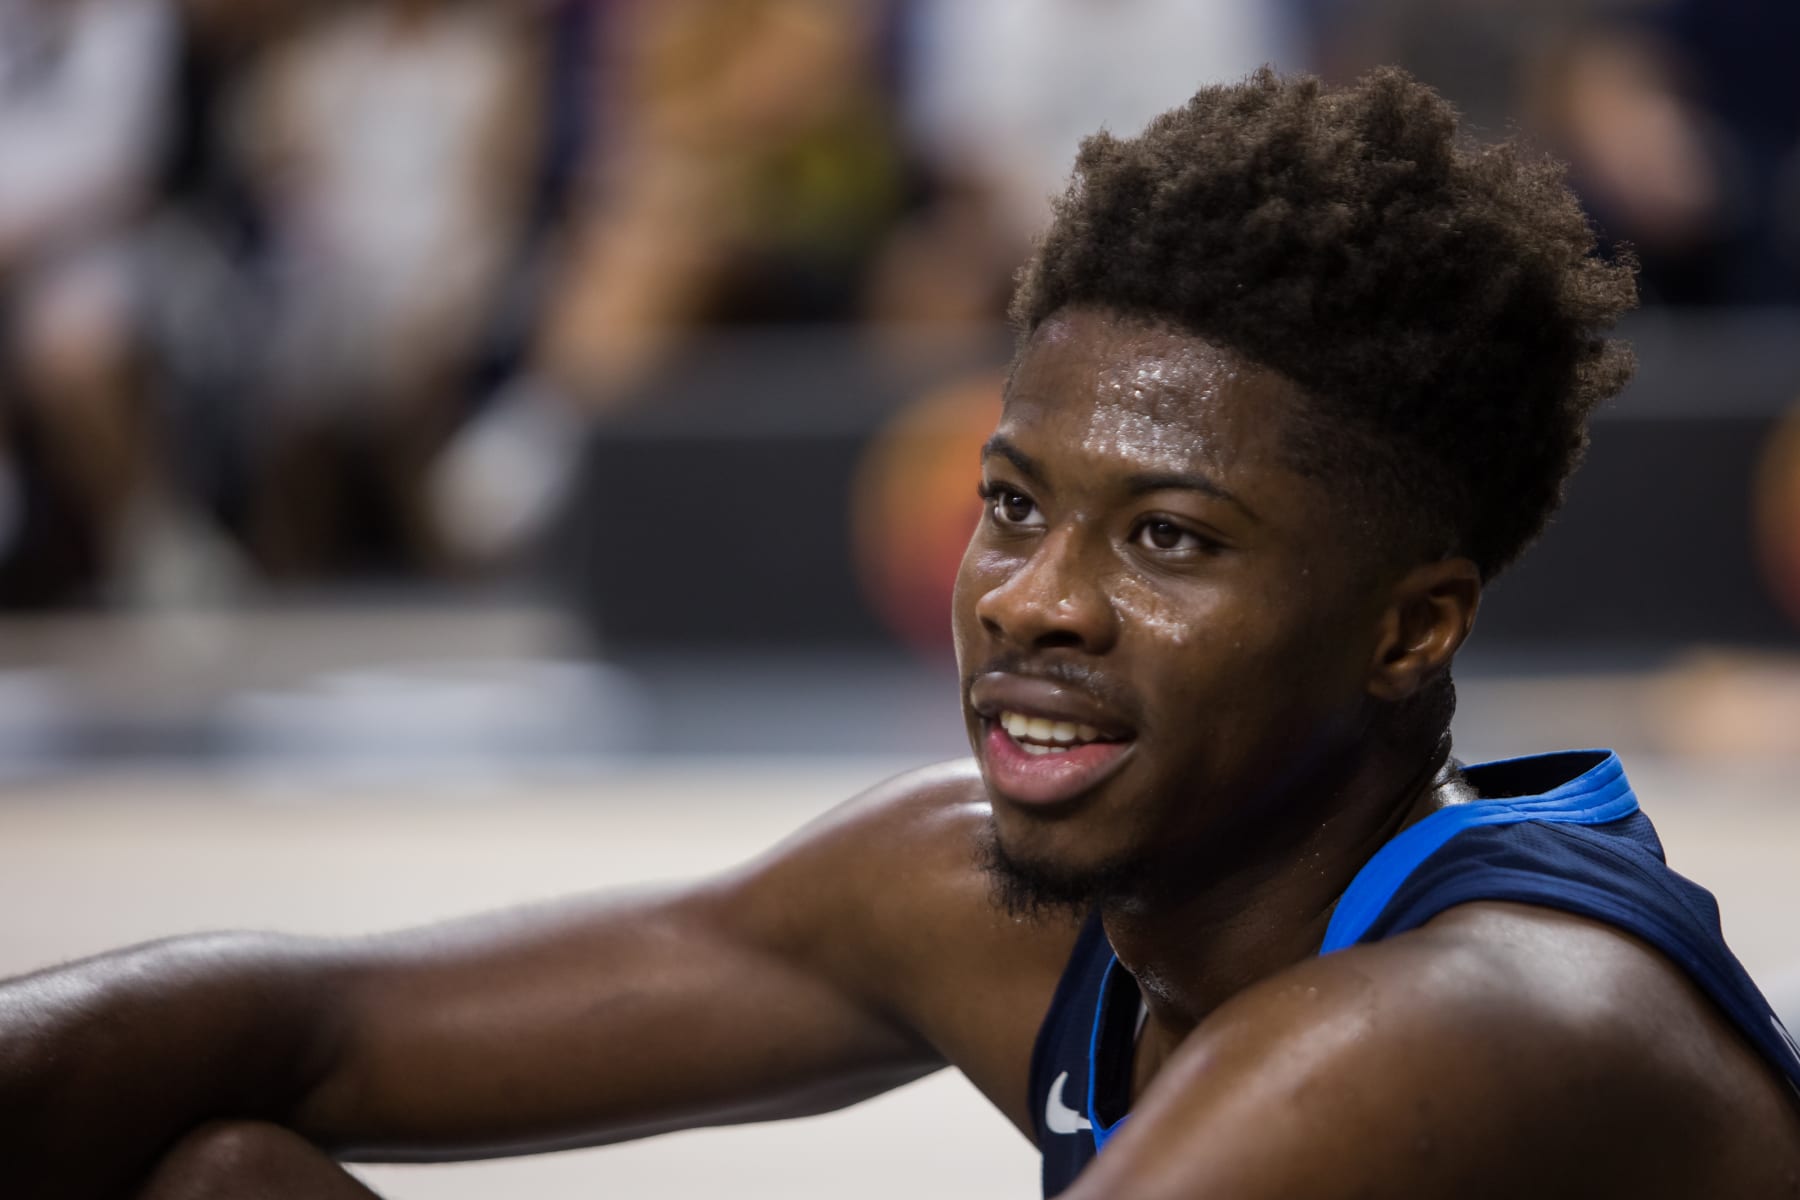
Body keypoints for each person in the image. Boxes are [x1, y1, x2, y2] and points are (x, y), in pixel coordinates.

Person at [5, 67, 1800, 1199]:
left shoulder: (1469, 1025)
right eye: (1015, 504)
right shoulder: (1025, 897)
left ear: (1412, 632)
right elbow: (306, 1026)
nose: (1034, 598)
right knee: (221, 1169)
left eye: (1169, 538)